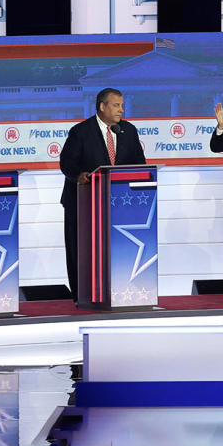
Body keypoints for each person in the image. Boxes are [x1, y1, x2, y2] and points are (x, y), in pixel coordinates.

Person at [59, 88, 146, 301]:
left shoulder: (128, 130)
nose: (121, 110)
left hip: (118, 202)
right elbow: (66, 162)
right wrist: (79, 175)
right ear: (102, 106)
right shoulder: (81, 131)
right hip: (83, 201)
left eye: (122, 105)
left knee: (116, 249)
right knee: (80, 250)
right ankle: (82, 295)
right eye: (116, 105)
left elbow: (140, 164)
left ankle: (117, 290)